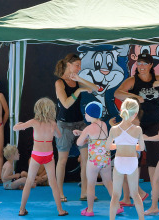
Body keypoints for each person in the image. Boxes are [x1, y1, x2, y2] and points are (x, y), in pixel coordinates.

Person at [114, 53, 159, 195]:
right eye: (139, 63)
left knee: (154, 157)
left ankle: (156, 191)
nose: (141, 66)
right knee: (133, 155)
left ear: (150, 65)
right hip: (137, 122)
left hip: (155, 121)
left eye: (144, 63)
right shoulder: (133, 80)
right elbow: (118, 93)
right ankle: (133, 190)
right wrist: (135, 97)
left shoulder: (157, 78)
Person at [54, 53, 99, 202]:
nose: (79, 68)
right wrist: (78, 90)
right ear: (68, 65)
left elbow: (95, 88)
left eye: (80, 65)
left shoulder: (77, 80)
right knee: (62, 160)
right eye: (77, 65)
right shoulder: (59, 83)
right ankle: (59, 193)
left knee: (86, 158)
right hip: (64, 124)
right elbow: (66, 104)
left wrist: (79, 80)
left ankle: (84, 192)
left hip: (80, 123)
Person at [13, 98, 68, 216]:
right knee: (53, 183)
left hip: (36, 155)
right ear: (51, 110)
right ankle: (60, 210)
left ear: (37, 109)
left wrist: (19, 125)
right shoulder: (53, 123)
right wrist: (52, 132)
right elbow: (59, 136)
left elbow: (15, 128)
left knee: (29, 182)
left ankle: (22, 209)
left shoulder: (34, 122)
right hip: (48, 156)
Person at [74, 101, 124, 216]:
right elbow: (97, 138)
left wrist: (81, 134)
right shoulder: (104, 125)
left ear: (90, 114)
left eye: (86, 114)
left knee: (90, 185)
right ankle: (117, 206)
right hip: (105, 159)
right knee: (109, 183)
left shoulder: (88, 128)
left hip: (93, 161)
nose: (85, 116)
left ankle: (90, 210)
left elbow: (79, 142)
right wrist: (83, 133)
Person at [106, 98, 146, 220]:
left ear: (122, 111)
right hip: (132, 161)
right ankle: (141, 218)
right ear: (135, 114)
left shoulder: (114, 129)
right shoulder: (138, 129)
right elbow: (142, 147)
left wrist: (118, 145)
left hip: (119, 161)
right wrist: (132, 145)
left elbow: (108, 147)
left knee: (116, 195)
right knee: (135, 194)